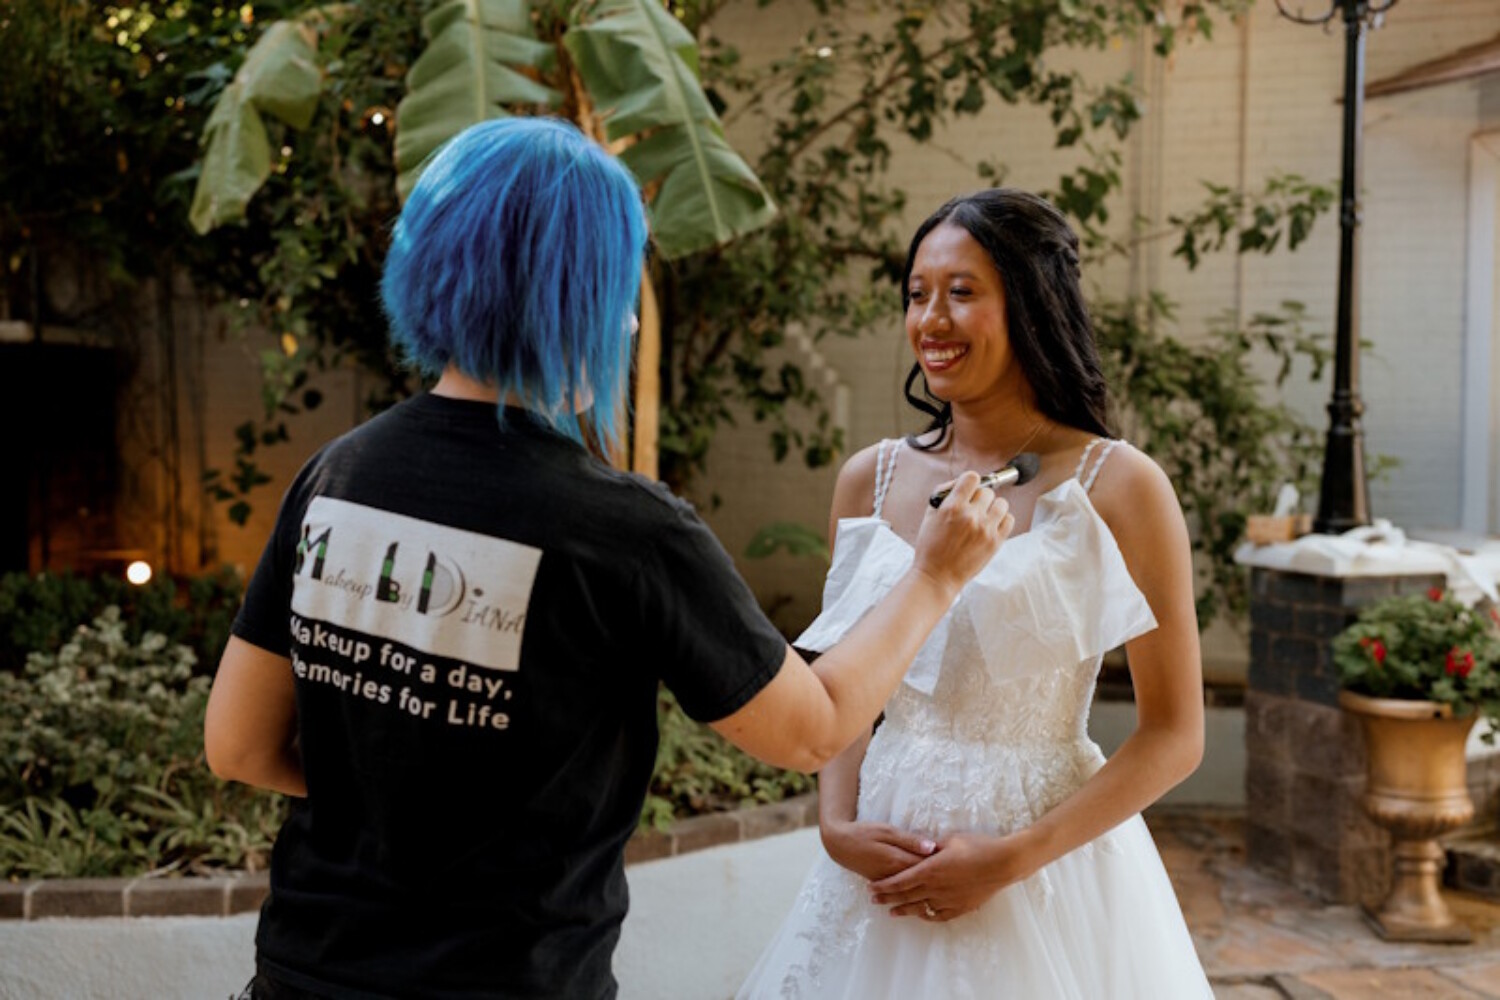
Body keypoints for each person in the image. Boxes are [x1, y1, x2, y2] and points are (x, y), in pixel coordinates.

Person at [202, 118, 1012, 1000]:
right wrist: (934, 576)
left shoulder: (336, 476)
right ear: (573, 297)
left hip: (298, 978)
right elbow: (811, 728)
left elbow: (238, 746)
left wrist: (401, 792)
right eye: (620, 289)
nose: (627, 318)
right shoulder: (621, 530)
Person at [737, 188, 1213, 998]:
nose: (931, 319)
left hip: (1041, 861)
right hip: (878, 855)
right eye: (917, 294)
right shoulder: (870, 478)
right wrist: (836, 824)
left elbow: (1175, 735)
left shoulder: (1121, 485)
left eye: (962, 292)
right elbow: (843, 689)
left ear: (1031, 304)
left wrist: (1013, 858)